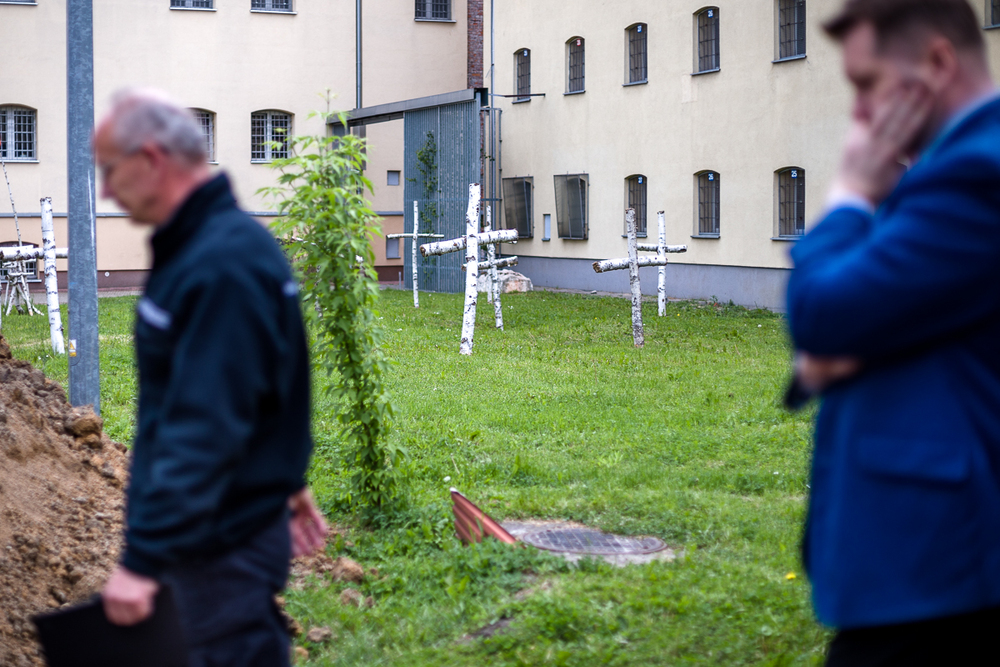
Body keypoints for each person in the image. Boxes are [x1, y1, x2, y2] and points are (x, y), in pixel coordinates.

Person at [786, 0, 1000, 664]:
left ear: (937, 62)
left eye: (867, 85)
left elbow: (824, 311)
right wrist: (825, 355)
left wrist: (850, 193)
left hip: (938, 574)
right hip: (924, 575)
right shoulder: (945, 173)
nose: (860, 115)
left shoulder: (977, 174)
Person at [92, 89, 328, 666]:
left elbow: (204, 426)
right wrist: (286, 475)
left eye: (109, 170)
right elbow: (259, 384)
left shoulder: (219, 264)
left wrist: (142, 562)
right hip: (225, 530)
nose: (104, 190)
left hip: (217, 544)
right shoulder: (212, 247)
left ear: (151, 159)